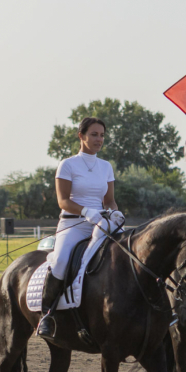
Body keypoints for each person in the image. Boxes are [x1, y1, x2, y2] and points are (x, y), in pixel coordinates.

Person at [36, 117, 124, 339]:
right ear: (81, 136)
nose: (99, 139)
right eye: (94, 134)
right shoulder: (68, 164)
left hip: (101, 222)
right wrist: (85, 211)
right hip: (73, 223)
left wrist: (114, 211)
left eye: (102, 135)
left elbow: (109, 200)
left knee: (126, 253)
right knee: (62, 260)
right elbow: (63, 200)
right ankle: (47, 314)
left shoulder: (106, 166)